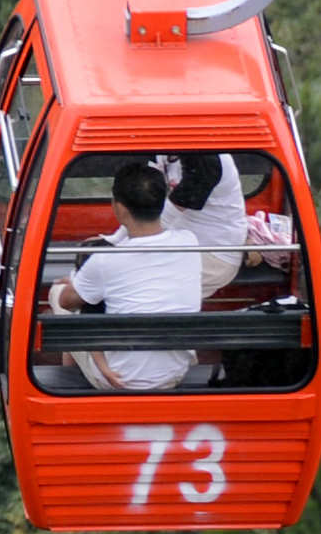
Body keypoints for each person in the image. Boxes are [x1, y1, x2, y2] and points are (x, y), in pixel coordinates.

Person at [51, 155, 211, 390]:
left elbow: (67, 302)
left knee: (57, 296)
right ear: (162, 202)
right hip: (175, 375)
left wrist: (72, 283)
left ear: (120, 208)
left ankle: (75, 383)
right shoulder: (189, 241)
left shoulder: (105, 260)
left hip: (120, 380)